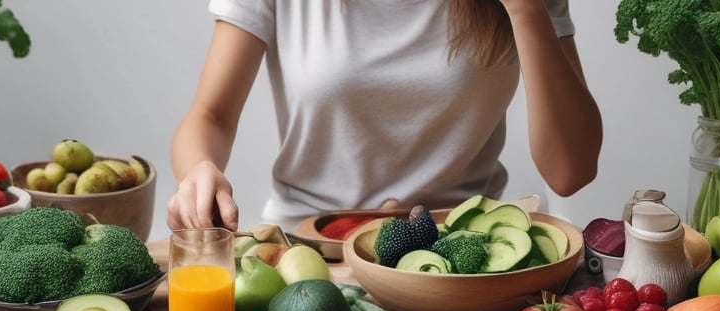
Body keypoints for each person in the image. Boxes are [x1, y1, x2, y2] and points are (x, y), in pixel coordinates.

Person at [167, 0, 602, 232]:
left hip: (461, 254)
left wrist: (525, 9)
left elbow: (571, 171)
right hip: (311, 250)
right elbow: (210, 116)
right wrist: (199, 171)